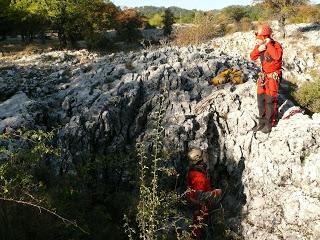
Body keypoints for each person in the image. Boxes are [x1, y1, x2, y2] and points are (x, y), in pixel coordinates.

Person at [250, 23, 283, 133]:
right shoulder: (260, 46)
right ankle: (261, 122)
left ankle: (269, 124)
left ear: (265, 37)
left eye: (259, 38)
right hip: (263, 77)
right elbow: (252, 57)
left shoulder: (276, 45)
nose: (257, 40)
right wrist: (259, 49)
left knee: (270, 101)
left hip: (273, 77)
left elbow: (277, 57)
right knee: (260, 100)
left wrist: (268, 45)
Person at [186, 148, 222, 239]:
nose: (205, 157)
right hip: (199, 208)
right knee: (197, 232)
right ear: (199, 159)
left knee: (197, 231)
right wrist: (215, 193)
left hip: (196, 206)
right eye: (203, 155)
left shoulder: (195, 171)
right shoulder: (198, 176)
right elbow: (200, 196)